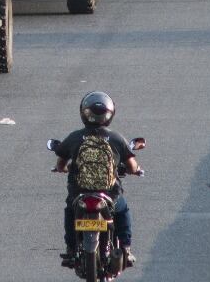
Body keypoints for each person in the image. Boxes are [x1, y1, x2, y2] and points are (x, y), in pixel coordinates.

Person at [53, 91, 143, 268]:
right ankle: (125, 247)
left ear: (84, 113)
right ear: (109, 115)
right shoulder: (116, 138)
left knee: (70, 211)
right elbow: (132, 167)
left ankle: (71, 249)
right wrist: (137, 170)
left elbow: (61, 162)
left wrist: (61, 169)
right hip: (110, 193)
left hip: (79, 192)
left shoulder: (75, 137)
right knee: (122, 210)